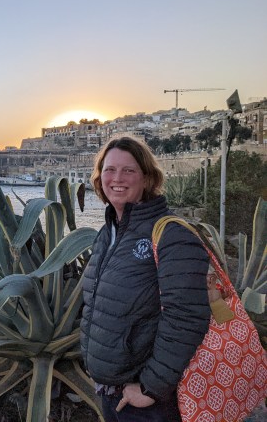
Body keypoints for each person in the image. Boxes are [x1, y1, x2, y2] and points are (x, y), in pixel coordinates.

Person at [80, 137, 210, 422]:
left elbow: (187, 317)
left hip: (148, 401)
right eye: (110, 170)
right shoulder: (108, 234)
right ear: (99, 177)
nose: (117, 178)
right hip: (111, 392)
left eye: (129, 171)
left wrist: (151, 388)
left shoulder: (172, 235)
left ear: (147, 178)